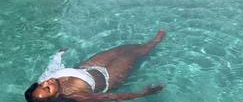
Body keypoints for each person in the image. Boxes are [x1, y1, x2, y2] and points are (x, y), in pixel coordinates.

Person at [24, 30, 166, 102]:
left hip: (90, 66)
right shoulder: (75, 96)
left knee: (124, 48)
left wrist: (58, 55)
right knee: (134, 54)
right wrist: (143, 93)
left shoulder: (45, 78)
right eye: (47, 89)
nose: (46, 82)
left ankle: (147, 45)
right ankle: (155, 42)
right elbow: (110, 97)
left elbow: (52, 68)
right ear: (54, 98)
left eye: (41, 85)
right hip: (110, 77)